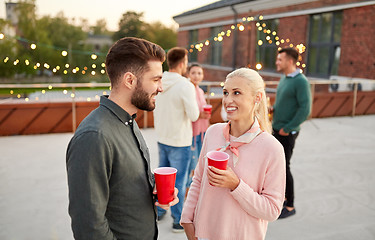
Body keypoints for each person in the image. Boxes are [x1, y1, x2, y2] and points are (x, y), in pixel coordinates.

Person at [66, 37, 178, 240]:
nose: (161, 88)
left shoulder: (128, 121)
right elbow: (89, 227)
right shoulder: (94, 137)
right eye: (155, 79)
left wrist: (151, 186)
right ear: (129, 80)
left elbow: (122, 179)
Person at [181, 68, 286, 240]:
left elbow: (272, 210)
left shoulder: (272, 148)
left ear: (257, 98)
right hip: (202, 235)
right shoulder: (213, 132)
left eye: (236, 93)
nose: (228, 100)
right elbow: (198, 179)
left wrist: (236, 185)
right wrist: (186, 218)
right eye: (225, 92)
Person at [153, 47, 200, 232]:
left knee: (161, 180)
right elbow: (194, 115)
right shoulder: (186, 85)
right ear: (182, 63)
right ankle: (177, 220)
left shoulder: (159, 80)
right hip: (180, 140)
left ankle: (159, 212)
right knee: (178, 181)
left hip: (161, 136)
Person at [272, 47, 311, 219]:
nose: (277, 62)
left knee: (284, 167)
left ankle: (290, 206)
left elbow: (305, 109)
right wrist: (273, 109)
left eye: (280, 59)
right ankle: (283, 198)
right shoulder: (285, 78)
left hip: (286, 132)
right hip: (277, 128)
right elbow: (285, 103)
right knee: (278, 167)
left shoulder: (301, 81)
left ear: (290, 61)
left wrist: (287, 129)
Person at [186, 63, 211, 193]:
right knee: (192, 162)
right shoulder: (188, 89)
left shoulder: (201, 91)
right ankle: (188, 190)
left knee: (201, 160)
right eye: (193, 73)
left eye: (199, 73)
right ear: (188, 74)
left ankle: (195, 188)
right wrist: (200, 114)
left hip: (202, 131)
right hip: (192, 131)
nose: (196, 76)